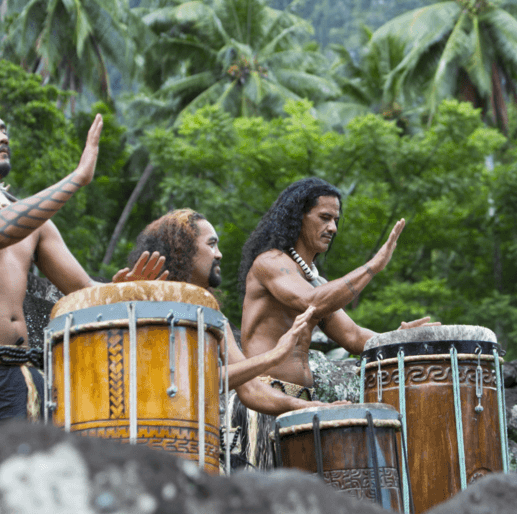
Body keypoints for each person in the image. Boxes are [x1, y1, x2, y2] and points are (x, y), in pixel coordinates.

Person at [0, 102, 164, 454]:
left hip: (23, 377)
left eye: (3, 129)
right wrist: (77, 178)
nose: (2, 136)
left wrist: (130, 289)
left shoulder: (33, 222)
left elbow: (85, 291)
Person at [235, 178, 434, 465]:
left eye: (336, 220)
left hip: (303, 403)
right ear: (298, 217)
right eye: (324, 218)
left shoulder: (316, 281)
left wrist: (398, 338)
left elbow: (352, 336)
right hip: (263, 400)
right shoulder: (270, 262)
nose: (333, 228)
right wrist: (373, 266)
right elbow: (310, 302)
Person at [128, 208, 337, 469]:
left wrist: (307, 406)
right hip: (154, 444)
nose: (219, 254)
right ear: (182, 249)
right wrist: (273, 355)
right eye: (211, 244)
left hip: (199, 445)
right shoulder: (148, 303)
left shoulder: (213, 313)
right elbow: (191, 381)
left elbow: (250, 389)